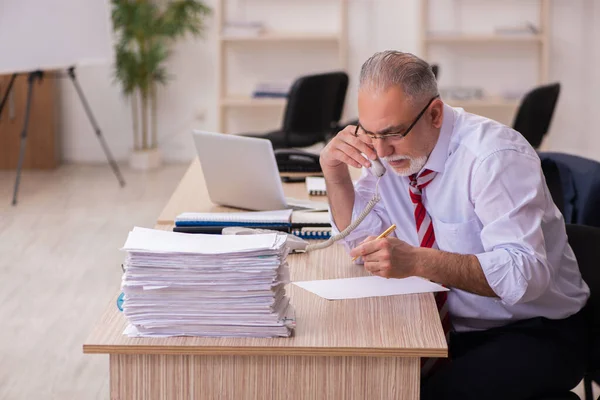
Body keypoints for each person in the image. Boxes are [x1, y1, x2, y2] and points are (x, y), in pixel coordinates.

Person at [320, 50, 590, 400]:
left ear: (434, 114)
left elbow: (525, 273)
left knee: (418, 392)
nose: (380, 152)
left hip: (534, 328)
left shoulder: (493, 157)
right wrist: (336, 176)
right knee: (365, 380)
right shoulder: (394, 153)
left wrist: (418, 261)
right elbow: (363, 245)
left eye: (392, 134)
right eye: (370, 134)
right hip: (451, 325)